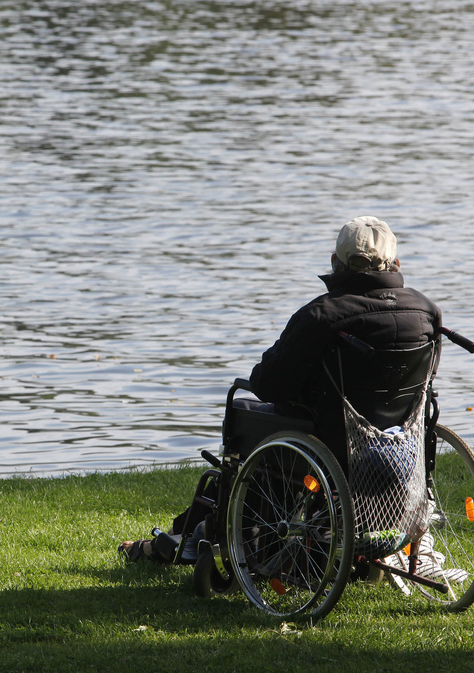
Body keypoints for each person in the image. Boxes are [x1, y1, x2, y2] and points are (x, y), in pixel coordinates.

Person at [119, 216, 442, 563]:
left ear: (335, 263)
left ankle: (207, 537)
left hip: (330, 443)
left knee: (245, 411)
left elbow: (268, 384)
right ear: (395, 263)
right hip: (399, 443)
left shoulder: (324, 315)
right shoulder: (425, 311)